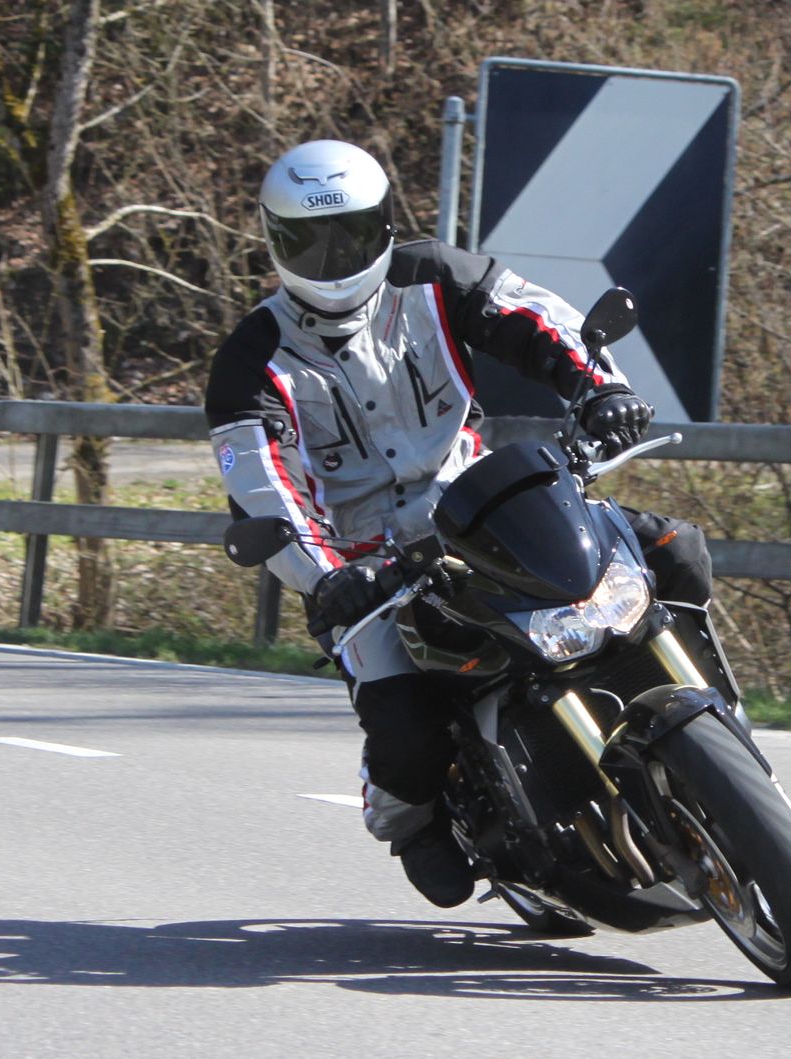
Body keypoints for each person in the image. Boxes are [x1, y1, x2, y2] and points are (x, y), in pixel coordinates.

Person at [205, 138, 713, 908]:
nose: (334, 256)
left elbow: (533, 317)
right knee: (407, 732)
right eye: (310, 240)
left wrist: (600, 386)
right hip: (365, 563)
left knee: (673, 550)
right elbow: (259, 480)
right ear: (276, 242)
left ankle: (713, 723)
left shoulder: (437, 276)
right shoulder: (251, 360)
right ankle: (409, 821)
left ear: (384, 225)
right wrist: (324, 577)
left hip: (484, 504)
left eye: (350, 233)